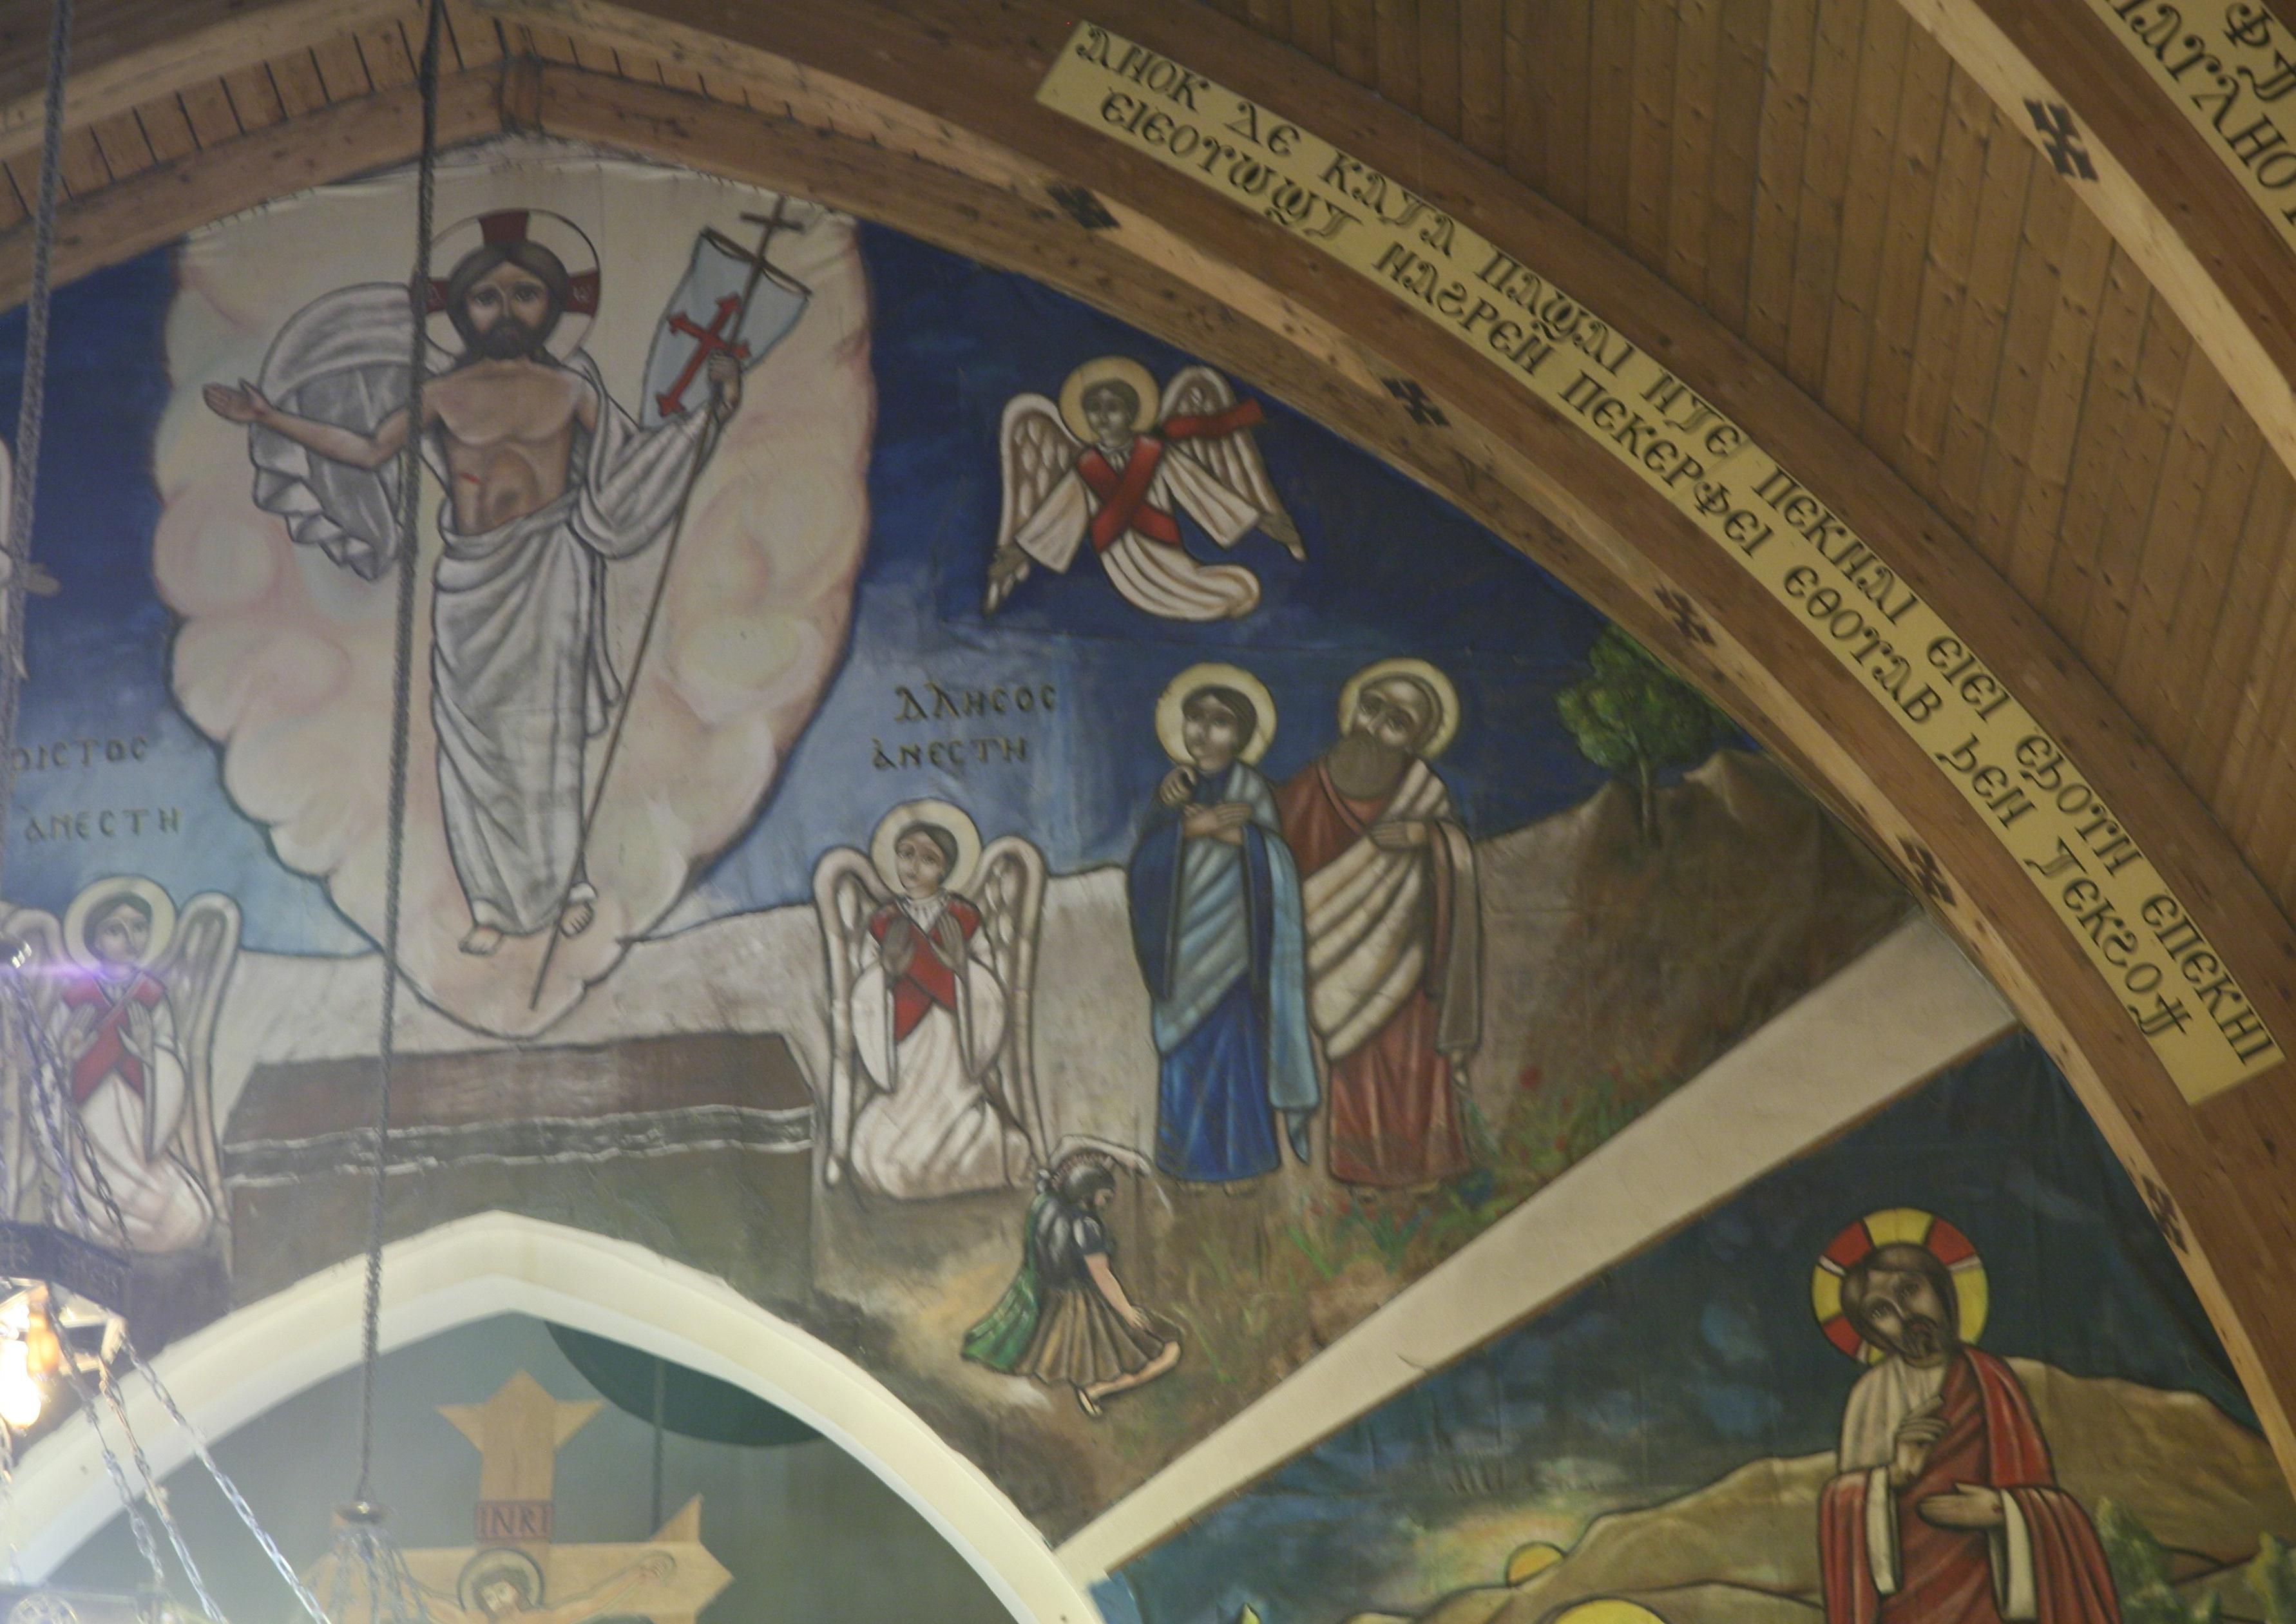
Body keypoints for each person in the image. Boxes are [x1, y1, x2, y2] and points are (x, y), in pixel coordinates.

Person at [204, 210, 741, 957]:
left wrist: (708, 416)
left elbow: (627, 475)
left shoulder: (572, 387)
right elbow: (365, 450)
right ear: (462, 310)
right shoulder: (440, 394)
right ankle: (490, 900)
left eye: (525, 294)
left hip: (551, 571)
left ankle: (567, 888)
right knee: (473, 740)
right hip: (472, 582)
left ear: (551, 306)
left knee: (546, 734)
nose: (506, 310)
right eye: (488, 297)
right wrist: (270, 416)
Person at [1818, 1234, 2119, 1624]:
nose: (1905, 1314)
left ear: (1941, 1288)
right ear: (1872, 1333)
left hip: (1989, 1595)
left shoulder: (1992, 1379)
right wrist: (1893, 1476)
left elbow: (2047, 1505)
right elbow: (1845, 1518)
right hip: (1906, 1606)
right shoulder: (1868, 1396)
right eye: (1881, 1311)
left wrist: (2003, 1511)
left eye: (1910, 1290)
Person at [1276, 661, 1480, 1188]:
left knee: (1414, 1062)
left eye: (1397, 721)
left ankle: (1426, 1167)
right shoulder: (1310, 786)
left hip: (1410, 955)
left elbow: (1457, 859)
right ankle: (1360, 1169)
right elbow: (1271, 850)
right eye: (1371, 708)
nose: (1374, 725)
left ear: (1416, 738)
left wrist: (1427, 838)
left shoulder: (1423, 791)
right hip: (1331, 958)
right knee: (1356, 1066)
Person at [1127, 669, 1317, 1183]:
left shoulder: (1252, 788)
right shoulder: (1173, 792)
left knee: (1237, 1058)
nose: (1204, 730)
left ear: (1240, 734)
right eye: (1196, 717)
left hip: (1236, 954)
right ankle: (1185, 1167)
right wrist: (1189, 826)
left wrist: (1246, 842)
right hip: (1182, 959)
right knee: (1186, 1062)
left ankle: (1244, 1166)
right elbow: (1143, 868)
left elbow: (1278, 863)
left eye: (1220, 721)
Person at [847, 817, 1030, 1199]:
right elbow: (865, 994)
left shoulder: (964, 917)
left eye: (928, 859)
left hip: (953, 1050)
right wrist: (886, 974)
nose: (913, 866)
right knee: (878, 1148)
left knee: (965, 1129)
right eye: (906, 854)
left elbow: (989, 989)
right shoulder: (884, 922)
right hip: (904, 1050)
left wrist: (962, 967)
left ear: (945, 869)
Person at [962, 1150, 1180, 1417]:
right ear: (1089, 1193)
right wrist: (1127, 1311)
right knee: (1169, 1352)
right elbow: (1102, 1275)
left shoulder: (1044, 1203)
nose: (1107, 1202)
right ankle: (1097, 1390)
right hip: (1078, 1304)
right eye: (1105, 1196)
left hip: (1046, 1297)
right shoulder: (1087, 1226)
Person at [55, 889, 213, 1254]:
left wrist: (149, 1055)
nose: (129, 939)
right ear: (95, 940)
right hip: (89, 1125)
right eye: (115, 930)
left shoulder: (153, 996)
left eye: (139, 927)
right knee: (86, 1202)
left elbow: (172, 1060)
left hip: (141, 1123)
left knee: (190, 1217)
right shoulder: (75, 998)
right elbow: (48, 1065)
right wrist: (67, 1058)